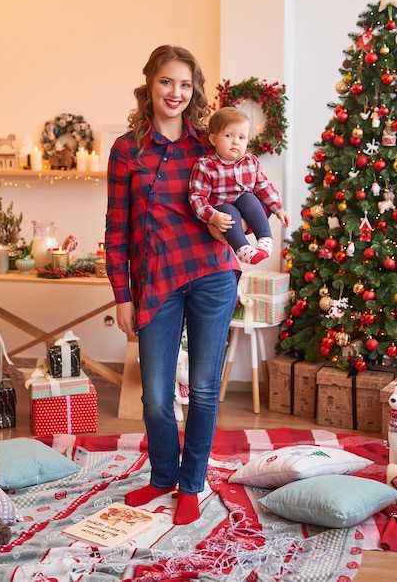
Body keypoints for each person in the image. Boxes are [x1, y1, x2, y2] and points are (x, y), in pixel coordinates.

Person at [105, 45, 239, 525]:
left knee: (203, 390)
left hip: (211, 275)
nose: (176, 93)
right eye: (167, 82)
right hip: (155, 282)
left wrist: (256, 232)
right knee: (156, 395)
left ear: (194, 90)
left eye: (185, 84)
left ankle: (190, 483)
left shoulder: (208, 144)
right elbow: (116, 228)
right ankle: (162, 476)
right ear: (150, 84)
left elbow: (243, 187)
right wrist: (122, 295)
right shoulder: (127, 149)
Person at [188, 107, 290, 264]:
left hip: (244, 204)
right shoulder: (205, 165)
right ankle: (242, 249)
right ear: (214, 139)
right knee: (228, 211)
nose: (236, 141)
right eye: (229, 135)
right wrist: (213, 216)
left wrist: (279, 209)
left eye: (242, 137)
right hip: (221, 208)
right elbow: (197, 197)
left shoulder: (250, 161)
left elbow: (264, 186)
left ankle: (265, 239)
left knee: (249, 197)